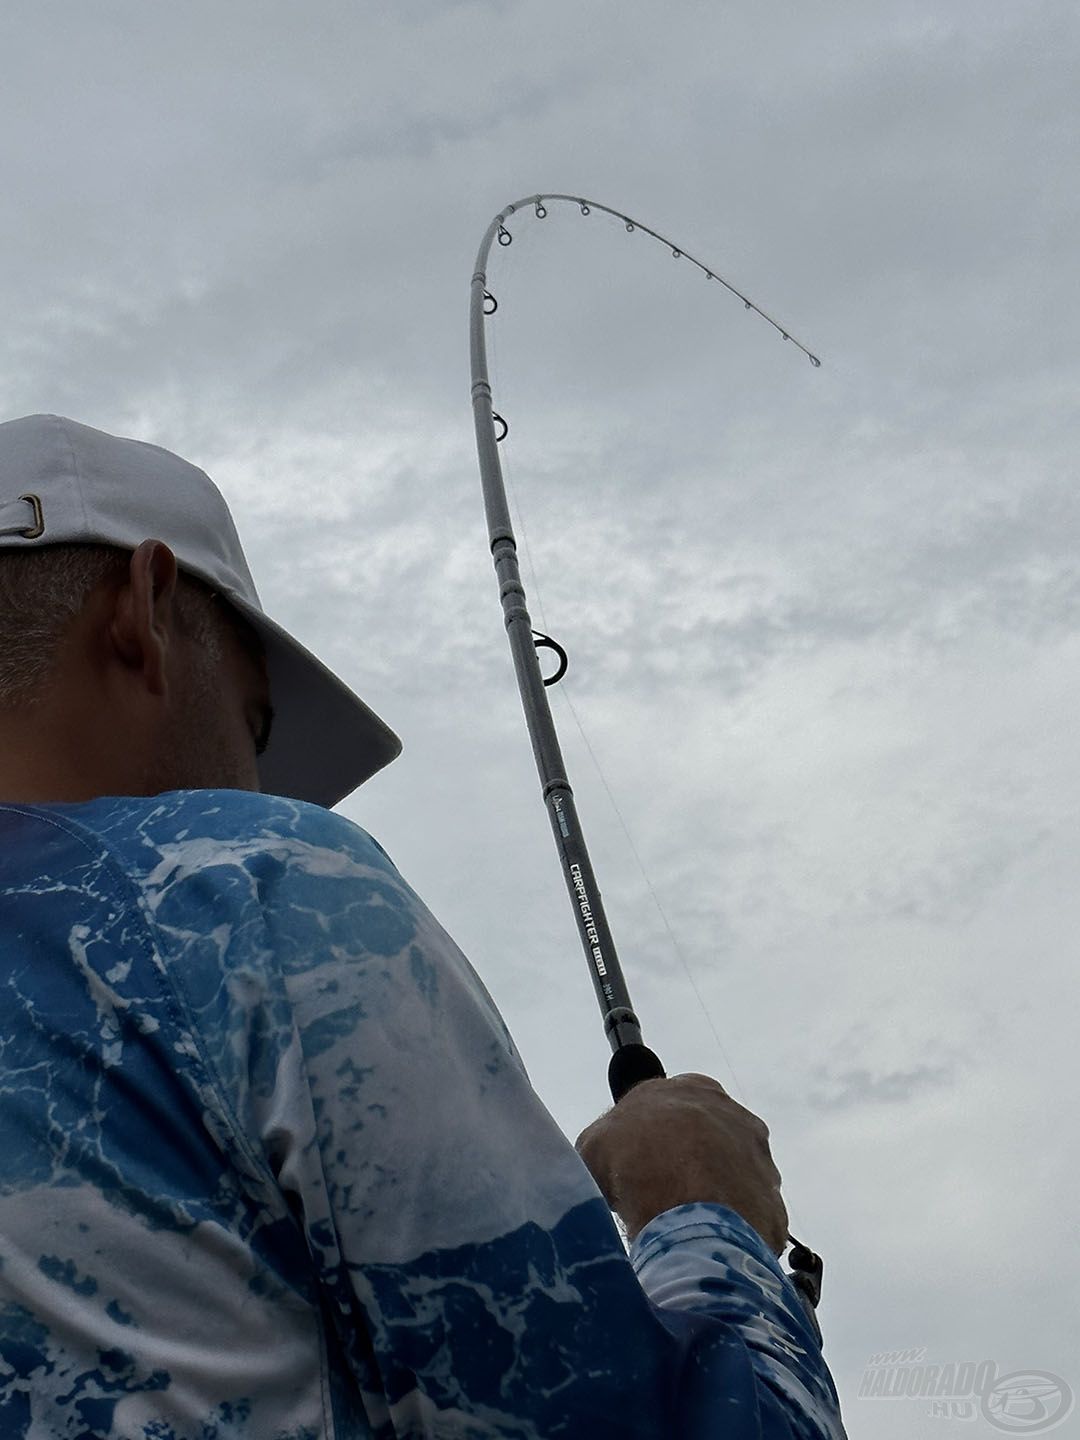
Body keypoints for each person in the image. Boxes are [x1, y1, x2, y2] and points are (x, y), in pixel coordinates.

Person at [0, 414, 846, 1439]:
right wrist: (702, 1212)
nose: (258, 778)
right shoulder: (247, 885)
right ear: (142, 608)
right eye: (258, 725)